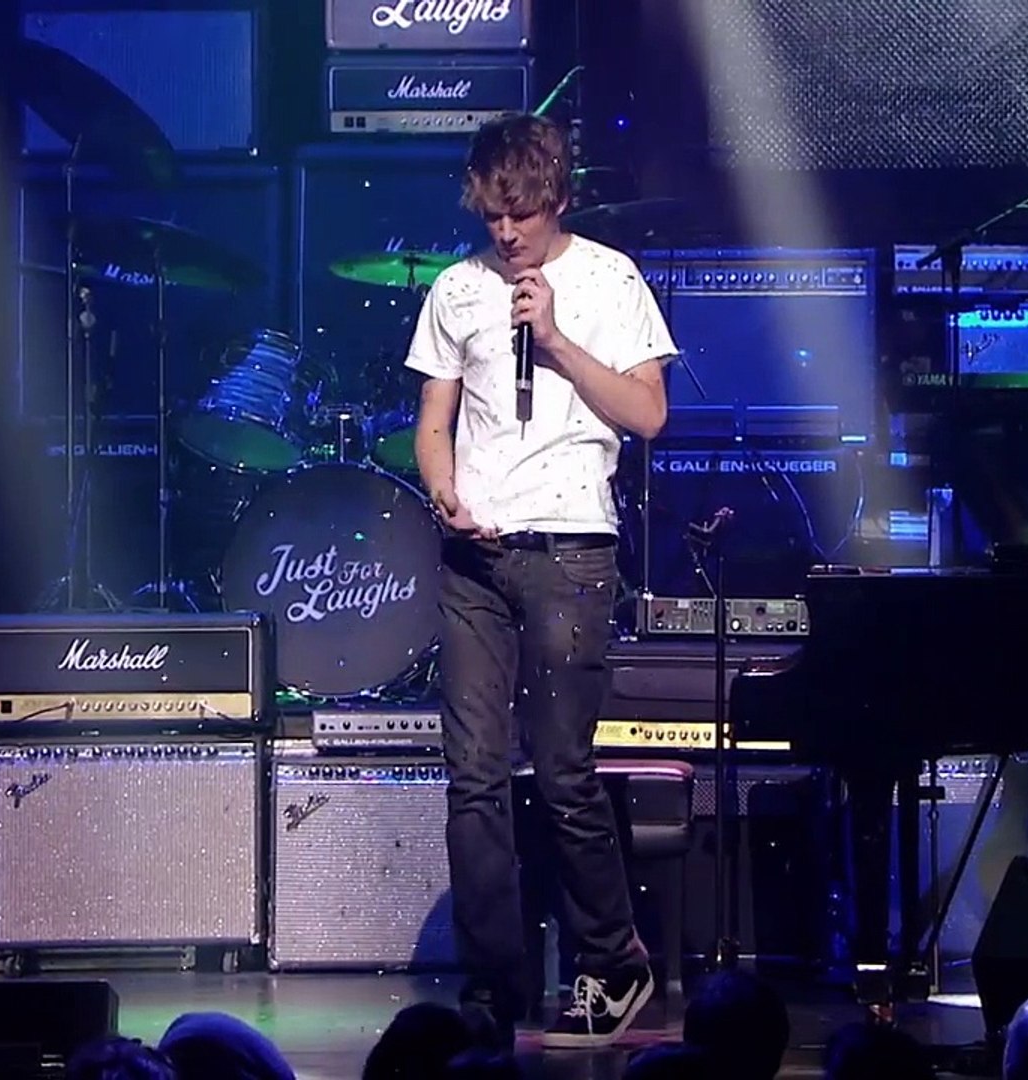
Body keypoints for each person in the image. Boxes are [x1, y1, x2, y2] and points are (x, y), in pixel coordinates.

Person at [407, 110, 676, 1050]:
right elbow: (433, 419)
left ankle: (614, 961)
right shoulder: (456, 287)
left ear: (557, 198)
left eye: (520, 214)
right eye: (492, 216)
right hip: (475, 558)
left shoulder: (610, 278)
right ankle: (494, 981)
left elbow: (648, 414)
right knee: (473, 775)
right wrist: (442, 490)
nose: (507, 232)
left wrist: (556, 341)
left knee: (563, 774)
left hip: (570, 552)